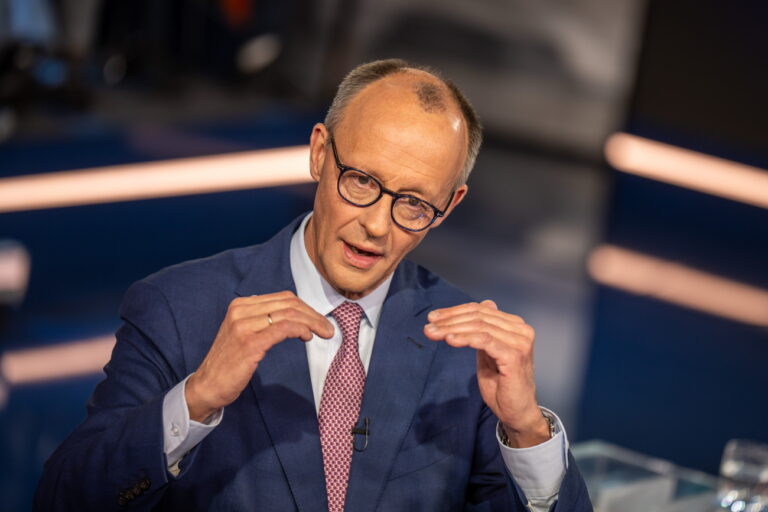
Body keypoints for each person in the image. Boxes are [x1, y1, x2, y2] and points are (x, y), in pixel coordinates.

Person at [34, 59, 591, 511]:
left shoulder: (468, 350)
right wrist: (197, 398)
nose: (376, 224)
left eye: (414, 204)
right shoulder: (177, 307)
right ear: (320, 154)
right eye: (362, 182)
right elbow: (64, 497)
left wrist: (526, 430)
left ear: (449, 207)